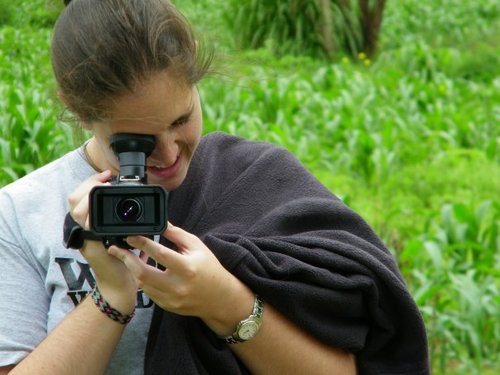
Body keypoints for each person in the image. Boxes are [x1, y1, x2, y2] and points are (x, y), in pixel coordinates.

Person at [0, 0, 430, 374]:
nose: (168, 156)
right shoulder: (20, 214)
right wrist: (112, 295)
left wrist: (224, 301)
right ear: (77, 110)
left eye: (181, 120)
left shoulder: (257, 182)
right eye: (138, 143)